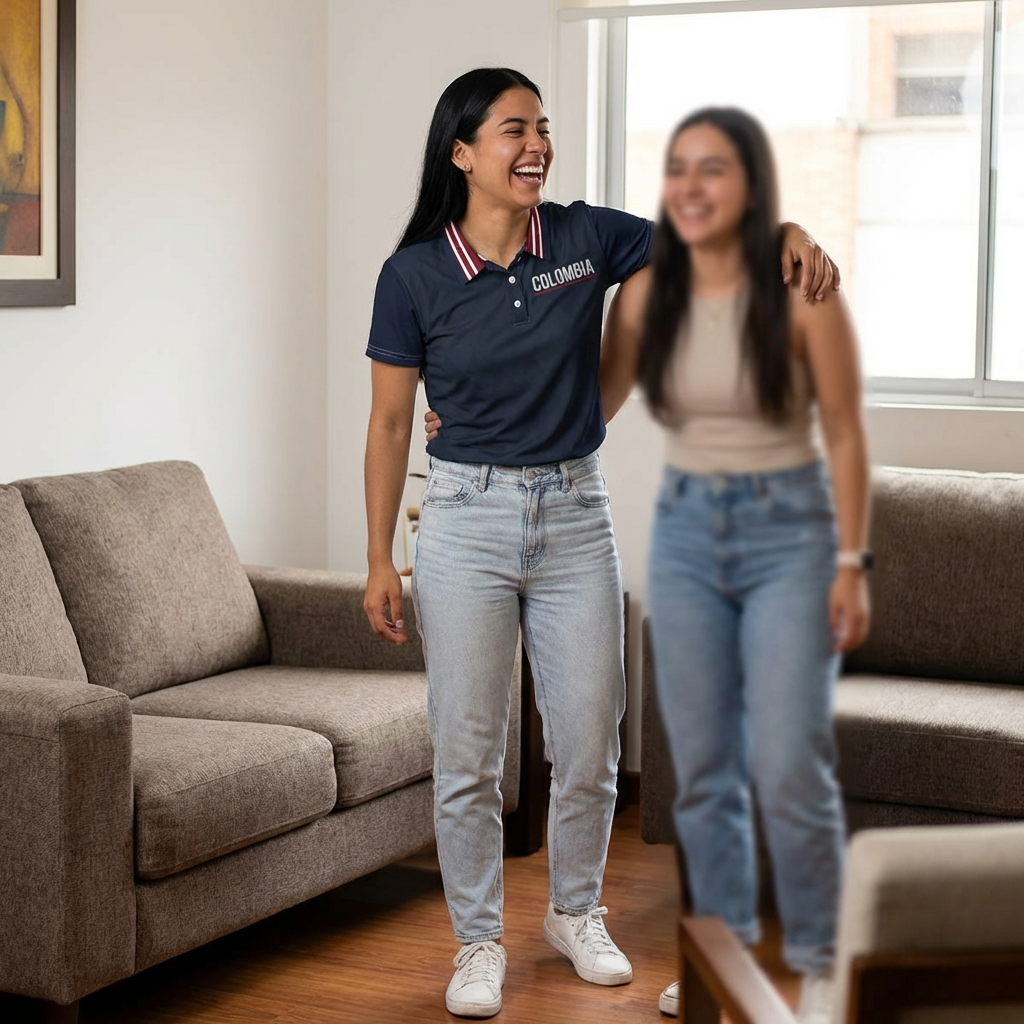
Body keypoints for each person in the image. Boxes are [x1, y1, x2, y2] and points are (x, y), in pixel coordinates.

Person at [364, 68, 837, 1020]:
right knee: (469, 753)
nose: (536, 143)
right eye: (513, 129)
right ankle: (479, 940)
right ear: (461, 152)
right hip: (465, 519)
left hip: (576, 514)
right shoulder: (413, 274)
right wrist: (379, 556)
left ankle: (574, 912)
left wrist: (780, 230)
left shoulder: (582, 237)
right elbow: (387, 425)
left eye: (543, 126)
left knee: (592, 744)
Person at [598, 107, 871, 1023]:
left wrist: (850, 562)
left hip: (788, 531)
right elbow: (588, 404)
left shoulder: (801, 290)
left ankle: (826, 964)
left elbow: (843, 431)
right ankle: (711, 961)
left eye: (714, 169)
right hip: (684, 534)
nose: (691, 185)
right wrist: (472, 420)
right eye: (678, 168)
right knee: (704, 770)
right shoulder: (644, 296)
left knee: (791, 764)